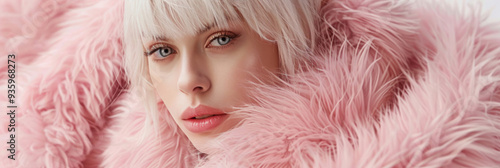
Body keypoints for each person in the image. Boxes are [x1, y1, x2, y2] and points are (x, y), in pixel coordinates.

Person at [2, 0, 499, 167]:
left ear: (290, 38)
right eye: (162, 52)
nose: (189, 82)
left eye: (221, 39)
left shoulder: (449, 132)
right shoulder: (108, 122)